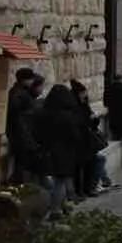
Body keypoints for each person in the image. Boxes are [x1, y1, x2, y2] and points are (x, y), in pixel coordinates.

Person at [32, 85, 83, 219]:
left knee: (53, 180)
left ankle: (63, 205)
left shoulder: (41, 114)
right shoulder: (68, 116)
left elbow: (36, 134)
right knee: (60, 181)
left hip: (47, 151)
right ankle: (56, 210)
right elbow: (75, 136)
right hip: (64, 152)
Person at [70, 80, 114, 194]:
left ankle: (96, 185)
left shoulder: (83, 105)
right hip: (81, 143)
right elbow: (83, 123)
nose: (85, 95)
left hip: (87, 142)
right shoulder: (75, 108)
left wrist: (94, 119)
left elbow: (92, 123)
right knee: (92, 162)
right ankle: (91, 187)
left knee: (96, 160)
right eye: (84, 93)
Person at [5, 68, 40, 185]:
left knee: (22, 166)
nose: (32, 81)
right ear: (24, 80)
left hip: (22, 135)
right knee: (21, 167)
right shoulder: (18, 94)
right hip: (20, 136)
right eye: (30, 79)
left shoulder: (21, 92)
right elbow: (18, 119)